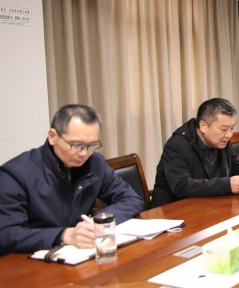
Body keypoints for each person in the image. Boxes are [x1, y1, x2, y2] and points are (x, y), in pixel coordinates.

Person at [0, 104, 144, 255]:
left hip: (81, 254)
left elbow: (131, 199)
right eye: (76, 145)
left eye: (92, 145)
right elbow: (6, 234)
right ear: (52, 136)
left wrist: (97, 222)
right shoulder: (15, 174)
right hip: (33, 259)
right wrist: (63, 235)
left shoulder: (95, 163)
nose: (84, 153)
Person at [151, 98, 239, 207]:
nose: (229, 135)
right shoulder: (177, 145)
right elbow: (181, 186)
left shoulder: (221, 140)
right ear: (203, 126)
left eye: (232, 128)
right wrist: (227, 185)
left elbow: (234, 164)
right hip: (173, 209)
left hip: (208, 204)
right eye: (224, 129)